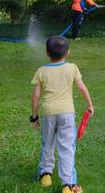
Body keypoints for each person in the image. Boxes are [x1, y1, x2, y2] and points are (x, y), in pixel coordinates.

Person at [29, 36, 94, 193]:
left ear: (46, 52)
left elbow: (36, 96)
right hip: (67, 114)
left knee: (48, 144)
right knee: (66, 148)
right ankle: (68, 185)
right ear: (68, 53)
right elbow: (82, 88)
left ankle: (45, 176)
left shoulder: (41, 71)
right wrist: (90, 105)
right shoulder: (72, 68)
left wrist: (34, 116)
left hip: (47, 114)